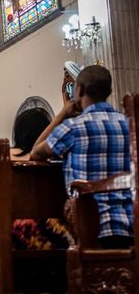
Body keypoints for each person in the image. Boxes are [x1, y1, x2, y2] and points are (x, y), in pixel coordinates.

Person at [0, 108, 75, 294]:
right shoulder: (58, 156)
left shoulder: (9, 158)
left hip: (23, 235)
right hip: (63, 232)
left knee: (24, 293)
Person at [31, 65, 133, 249]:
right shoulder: (131, 126)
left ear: (79, 90)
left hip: (89, 228)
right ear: (108, 91)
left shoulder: (72, 127)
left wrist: (61, 115)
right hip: (132, 225)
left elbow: (35, 153)